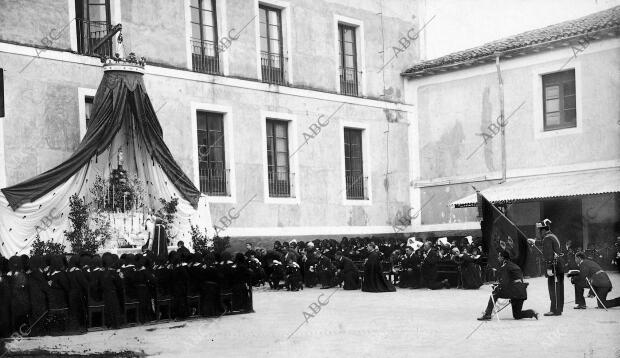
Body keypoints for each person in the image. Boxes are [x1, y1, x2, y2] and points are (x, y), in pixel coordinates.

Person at [477, 251, 538, 321]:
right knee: (517, 315)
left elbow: (504, 282)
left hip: (514, 291)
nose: (498, 258)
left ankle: (487, 314)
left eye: (499, 256)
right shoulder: (513, 265)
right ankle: (532, 313)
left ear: (503, 258)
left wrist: (496, 287)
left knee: (494, 294)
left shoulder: (505, 266)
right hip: (521, 292)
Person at [538, 219, 564, 316]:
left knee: (553, 288)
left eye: (540, 230)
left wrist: (549, 269)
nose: (540, 233)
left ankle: (554, 310)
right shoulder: (552, 236)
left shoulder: (547, 238)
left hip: (553, 267)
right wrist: (534, 241)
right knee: (559, 288)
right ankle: (559, 309)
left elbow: (549, 255)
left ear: (544, 230)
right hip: (559, 266)